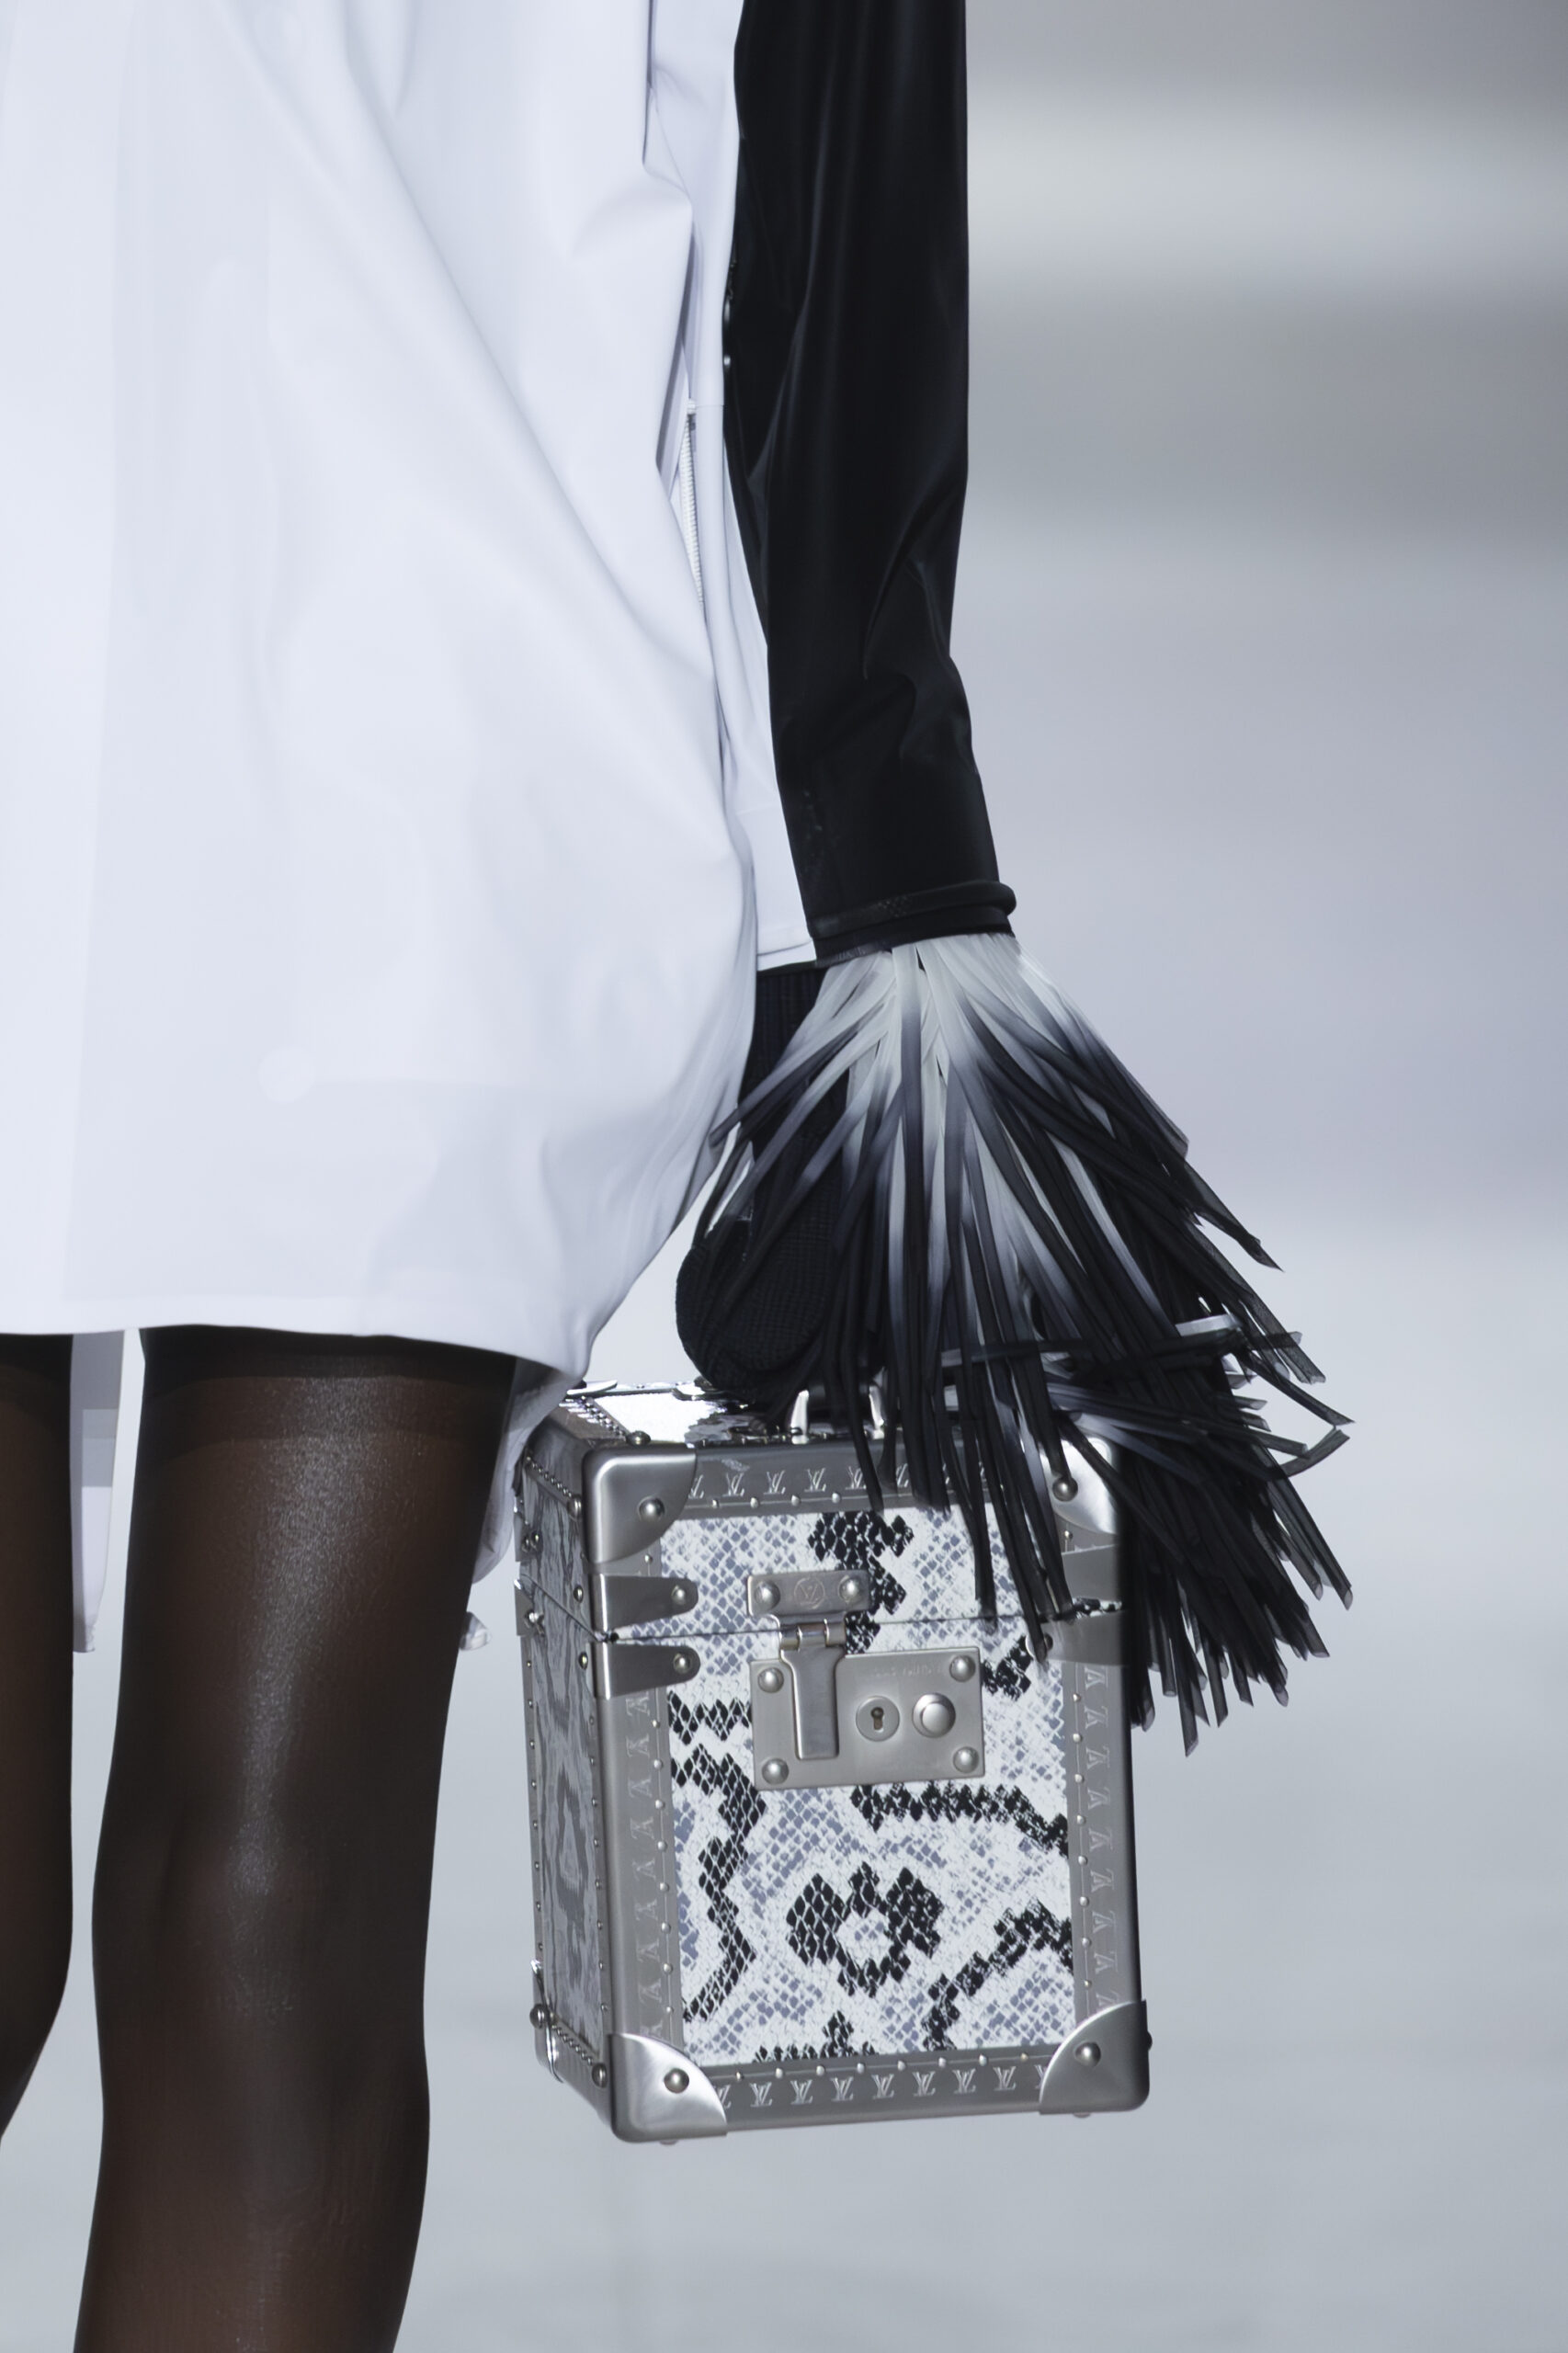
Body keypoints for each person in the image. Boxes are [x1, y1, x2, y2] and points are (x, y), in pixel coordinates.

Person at [0, 6, 1343, 2343]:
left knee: (263, 1906)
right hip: (437, 692)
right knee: (235, 1911)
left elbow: (829, 136)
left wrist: (886, 864)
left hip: (433, 745)